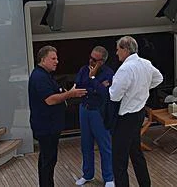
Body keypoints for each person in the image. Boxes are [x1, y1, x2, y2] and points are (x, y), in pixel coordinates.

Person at [29, 45, 87, 187]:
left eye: (57, 58)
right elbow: (50, 100)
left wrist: (64, 93)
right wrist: (70, 94)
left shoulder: (45, 75)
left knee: (47, 159)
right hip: (46, 127)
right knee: (48, 160)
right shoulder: (39, 77)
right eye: (53, 58)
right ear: (43, 60)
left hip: (49, 126)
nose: (57, 61)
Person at [109, 36, 163, 187]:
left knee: (119, 160)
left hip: (126, 117)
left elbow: (114, 95)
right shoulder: (145, 63)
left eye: (118, 49)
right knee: (136, 153)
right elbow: (159, 79)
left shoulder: (125, 69)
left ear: (125, 50)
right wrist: (143, 88)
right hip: (139, 114)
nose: (116, 53)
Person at [75, 46, 115, 187]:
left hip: (98, 112)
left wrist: (92, 79)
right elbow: (79, 86)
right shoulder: (83, 69)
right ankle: (87, 174)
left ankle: (109, 178)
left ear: (101, 61)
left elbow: (105, 93)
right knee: (86, 144)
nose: (90, 61)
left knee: (105, 145)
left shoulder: (109, 73)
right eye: (90, 57)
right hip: (84, 109)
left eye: (94, 59)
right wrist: (96, 86)